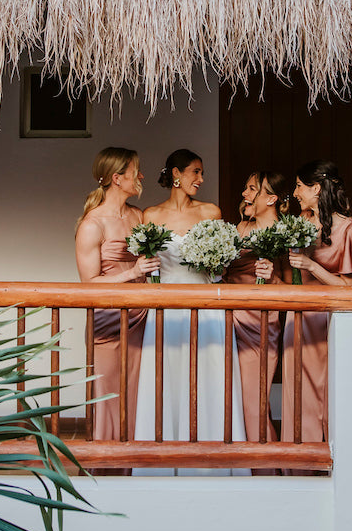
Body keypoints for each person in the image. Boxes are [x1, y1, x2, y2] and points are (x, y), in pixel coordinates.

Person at [133, 148, 247, 475]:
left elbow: (222, 263)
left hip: (206, 304)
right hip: (166, 307)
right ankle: (161, 456)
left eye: (201, 173)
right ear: (176, 174)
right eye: (195, 172)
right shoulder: (150, 216)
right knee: (167, 376)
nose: (200, 179)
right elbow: (147, 265)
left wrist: (215, 264)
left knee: (209, 373)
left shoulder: (211, 212)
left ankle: (213, 458)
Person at [281, 159, 352, 449]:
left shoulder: (349, 230)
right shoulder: (297, 226)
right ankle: (298, 459)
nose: (295, 193)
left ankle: (337, 453)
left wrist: (312, 265)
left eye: (299, 186)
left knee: (333, 388)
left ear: (317, 188)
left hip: (331, 322)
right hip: (299, 318)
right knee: (296, 390)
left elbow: (350, 288)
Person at [75, 147, 161, 450]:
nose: (141, 177)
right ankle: (106, 463)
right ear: (116, 178)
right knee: (108, 391)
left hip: (140, 318)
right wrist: (132, 272)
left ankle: (135, 462)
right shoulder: (92, 224)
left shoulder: (139, 216)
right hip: (108, 321)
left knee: (138, 391)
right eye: (135, 171)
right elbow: (89, 284)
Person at [224, 171, 291, 447]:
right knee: (232, 395)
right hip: (227, 316)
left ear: (272, 198)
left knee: (254, 398)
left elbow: (293, 288)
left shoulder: (285, 233)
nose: (245, 194)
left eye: (252, 189)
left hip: (259, 321)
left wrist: (273, 277)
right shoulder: (239, 228)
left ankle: (264, 464)